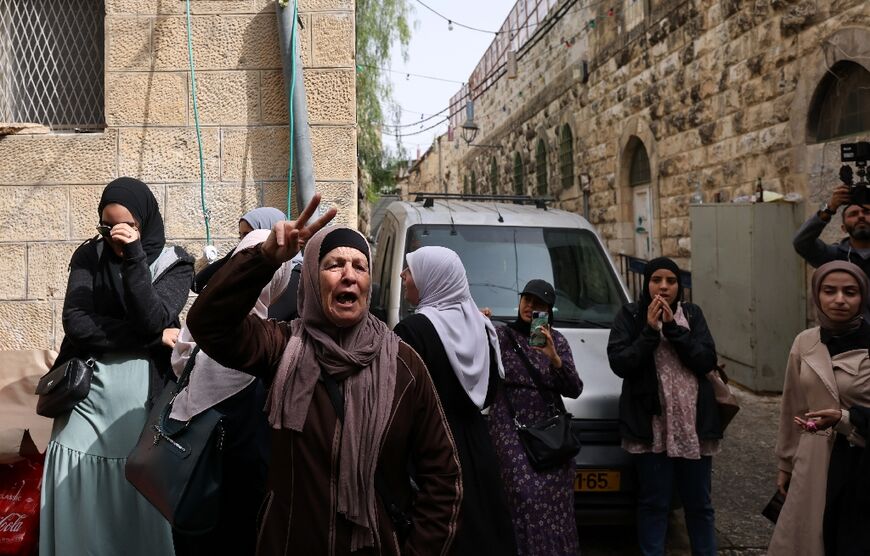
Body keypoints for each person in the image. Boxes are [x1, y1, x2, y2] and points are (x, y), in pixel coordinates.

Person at [185, 195, 463, 555]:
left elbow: (443, 477)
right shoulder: (283, 346)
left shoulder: (404, 366)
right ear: (314, 280)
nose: (349, 275)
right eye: (334, 265)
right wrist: (264, 260)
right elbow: (209, 325)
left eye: (359, 266)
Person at [40, 177, 194, 556]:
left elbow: (154, 316)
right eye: (107, 228)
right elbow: (77, 323)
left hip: (138, 405)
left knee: (135, 491)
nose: (115, 236)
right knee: (78, 495)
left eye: (127, 227)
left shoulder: (176, 263)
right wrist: (153, 339)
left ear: (144, 222)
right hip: (84, 396)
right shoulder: (89, 256)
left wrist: (135, 257)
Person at [170, 229, 292, 555]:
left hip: (192, 492)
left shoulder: (270, 341)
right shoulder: (267, 344)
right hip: (240, 500)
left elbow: (180, 360)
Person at [394, 246, 517, 556]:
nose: (403, 276)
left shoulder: (412, 331)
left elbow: (401, 399)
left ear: (431, 278)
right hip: (476, 448)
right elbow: (489, 394)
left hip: (430, 452)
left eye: (411, 270)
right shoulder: (482, 327)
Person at [607, 257, 720, 556]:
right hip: (652, 426)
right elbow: (620, 363)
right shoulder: (630, 315)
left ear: (679, 286)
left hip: (692, 426)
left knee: (699, 503)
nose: (664, 286)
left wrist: (672, 329)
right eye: (657, 280)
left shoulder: (692, 315)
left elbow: (706, 360)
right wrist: (648, 331)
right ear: (647, 283)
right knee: (654, 502)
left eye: (671, 281)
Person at [768, 261, 870, 556]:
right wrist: (786, 462)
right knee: (809, 539)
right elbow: (793, 407)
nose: (839, 299)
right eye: (830, 291)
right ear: (817, 294)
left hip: (860, 461)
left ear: (863, 296)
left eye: (850, 292)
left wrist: (845, 419)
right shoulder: (805, 341)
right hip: (814, 460)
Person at [487, 279, 582, 556]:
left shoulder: (557, 341)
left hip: (549, 434)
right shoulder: (501, 337)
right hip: (511, 428)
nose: (531, 307)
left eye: (539, 304)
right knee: (522, 494)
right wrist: (476, 322)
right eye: (527, 300)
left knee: (556, 503)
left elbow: (574, 389)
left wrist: (554, 359)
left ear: (549, 311)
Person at [793, 186, 870, 308]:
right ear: (843, 228)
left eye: (867, 212)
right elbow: (802, 242)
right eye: (853, 214)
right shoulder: (834, 256)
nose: (861, 216)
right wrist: (829, 209)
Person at [192, 206, 286, 292]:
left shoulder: (290, 272)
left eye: (248, 235)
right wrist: (232, 256)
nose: (243, 241)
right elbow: (197, 284)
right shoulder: (247, 265)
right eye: (241, 236)